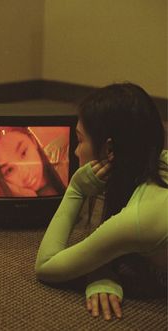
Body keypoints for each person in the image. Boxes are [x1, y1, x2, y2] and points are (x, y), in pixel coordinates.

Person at [35, 83, 167, 321]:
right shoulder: (159, 163)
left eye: (80, 140)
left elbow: (46, 266)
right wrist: (101, 268)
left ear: (109, 149)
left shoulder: (137, 219)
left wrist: (75, 189)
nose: (76, 152)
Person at [0, 126, 67, 197]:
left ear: (33, 141)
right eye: (10, 170)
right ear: (1, 179)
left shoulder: (65, 168)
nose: (25, 173)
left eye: (23, 153)